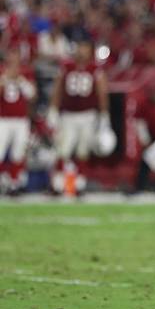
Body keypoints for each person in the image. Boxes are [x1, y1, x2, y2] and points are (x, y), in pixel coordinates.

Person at [47, 40, 109, 194]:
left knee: (83, 151)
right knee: (63, 150)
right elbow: (58, 89)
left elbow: (102, 92)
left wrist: (104, 115)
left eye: (85, 48)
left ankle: (79, 184)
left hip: (88, 115)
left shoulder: (95, 69)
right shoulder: (66, 67)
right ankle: (58, 184)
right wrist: (53, 110)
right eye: (81, 48)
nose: (82, 51)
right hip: (68, 115)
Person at [0, 51, 36, 194]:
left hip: (21, 120)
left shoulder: (26, 73)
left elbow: (32, 95)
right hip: (3, 119)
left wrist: (20, 81)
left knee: (18, 153)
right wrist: (5, 79)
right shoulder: (2, 72)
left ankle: (15, 183)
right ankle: (3, 180)